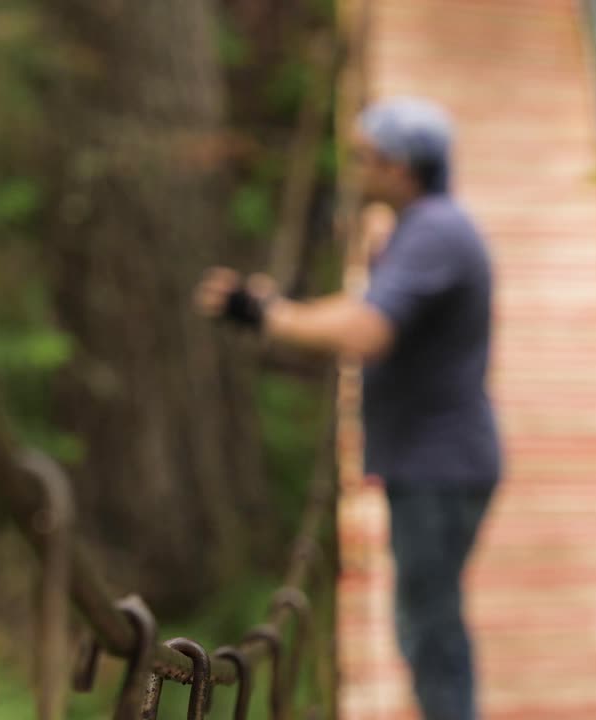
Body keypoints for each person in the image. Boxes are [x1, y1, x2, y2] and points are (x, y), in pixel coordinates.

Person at [194, 96, 500, 720]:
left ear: (399, 168)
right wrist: (269, 310)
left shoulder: (435, 232)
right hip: (434, 462)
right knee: (426, 619)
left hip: (440, 467)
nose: (355, 169)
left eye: (365, 158)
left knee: (429, 627)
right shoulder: (423, 228)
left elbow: (365, 331)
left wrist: (269, 318)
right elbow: (361, 306)